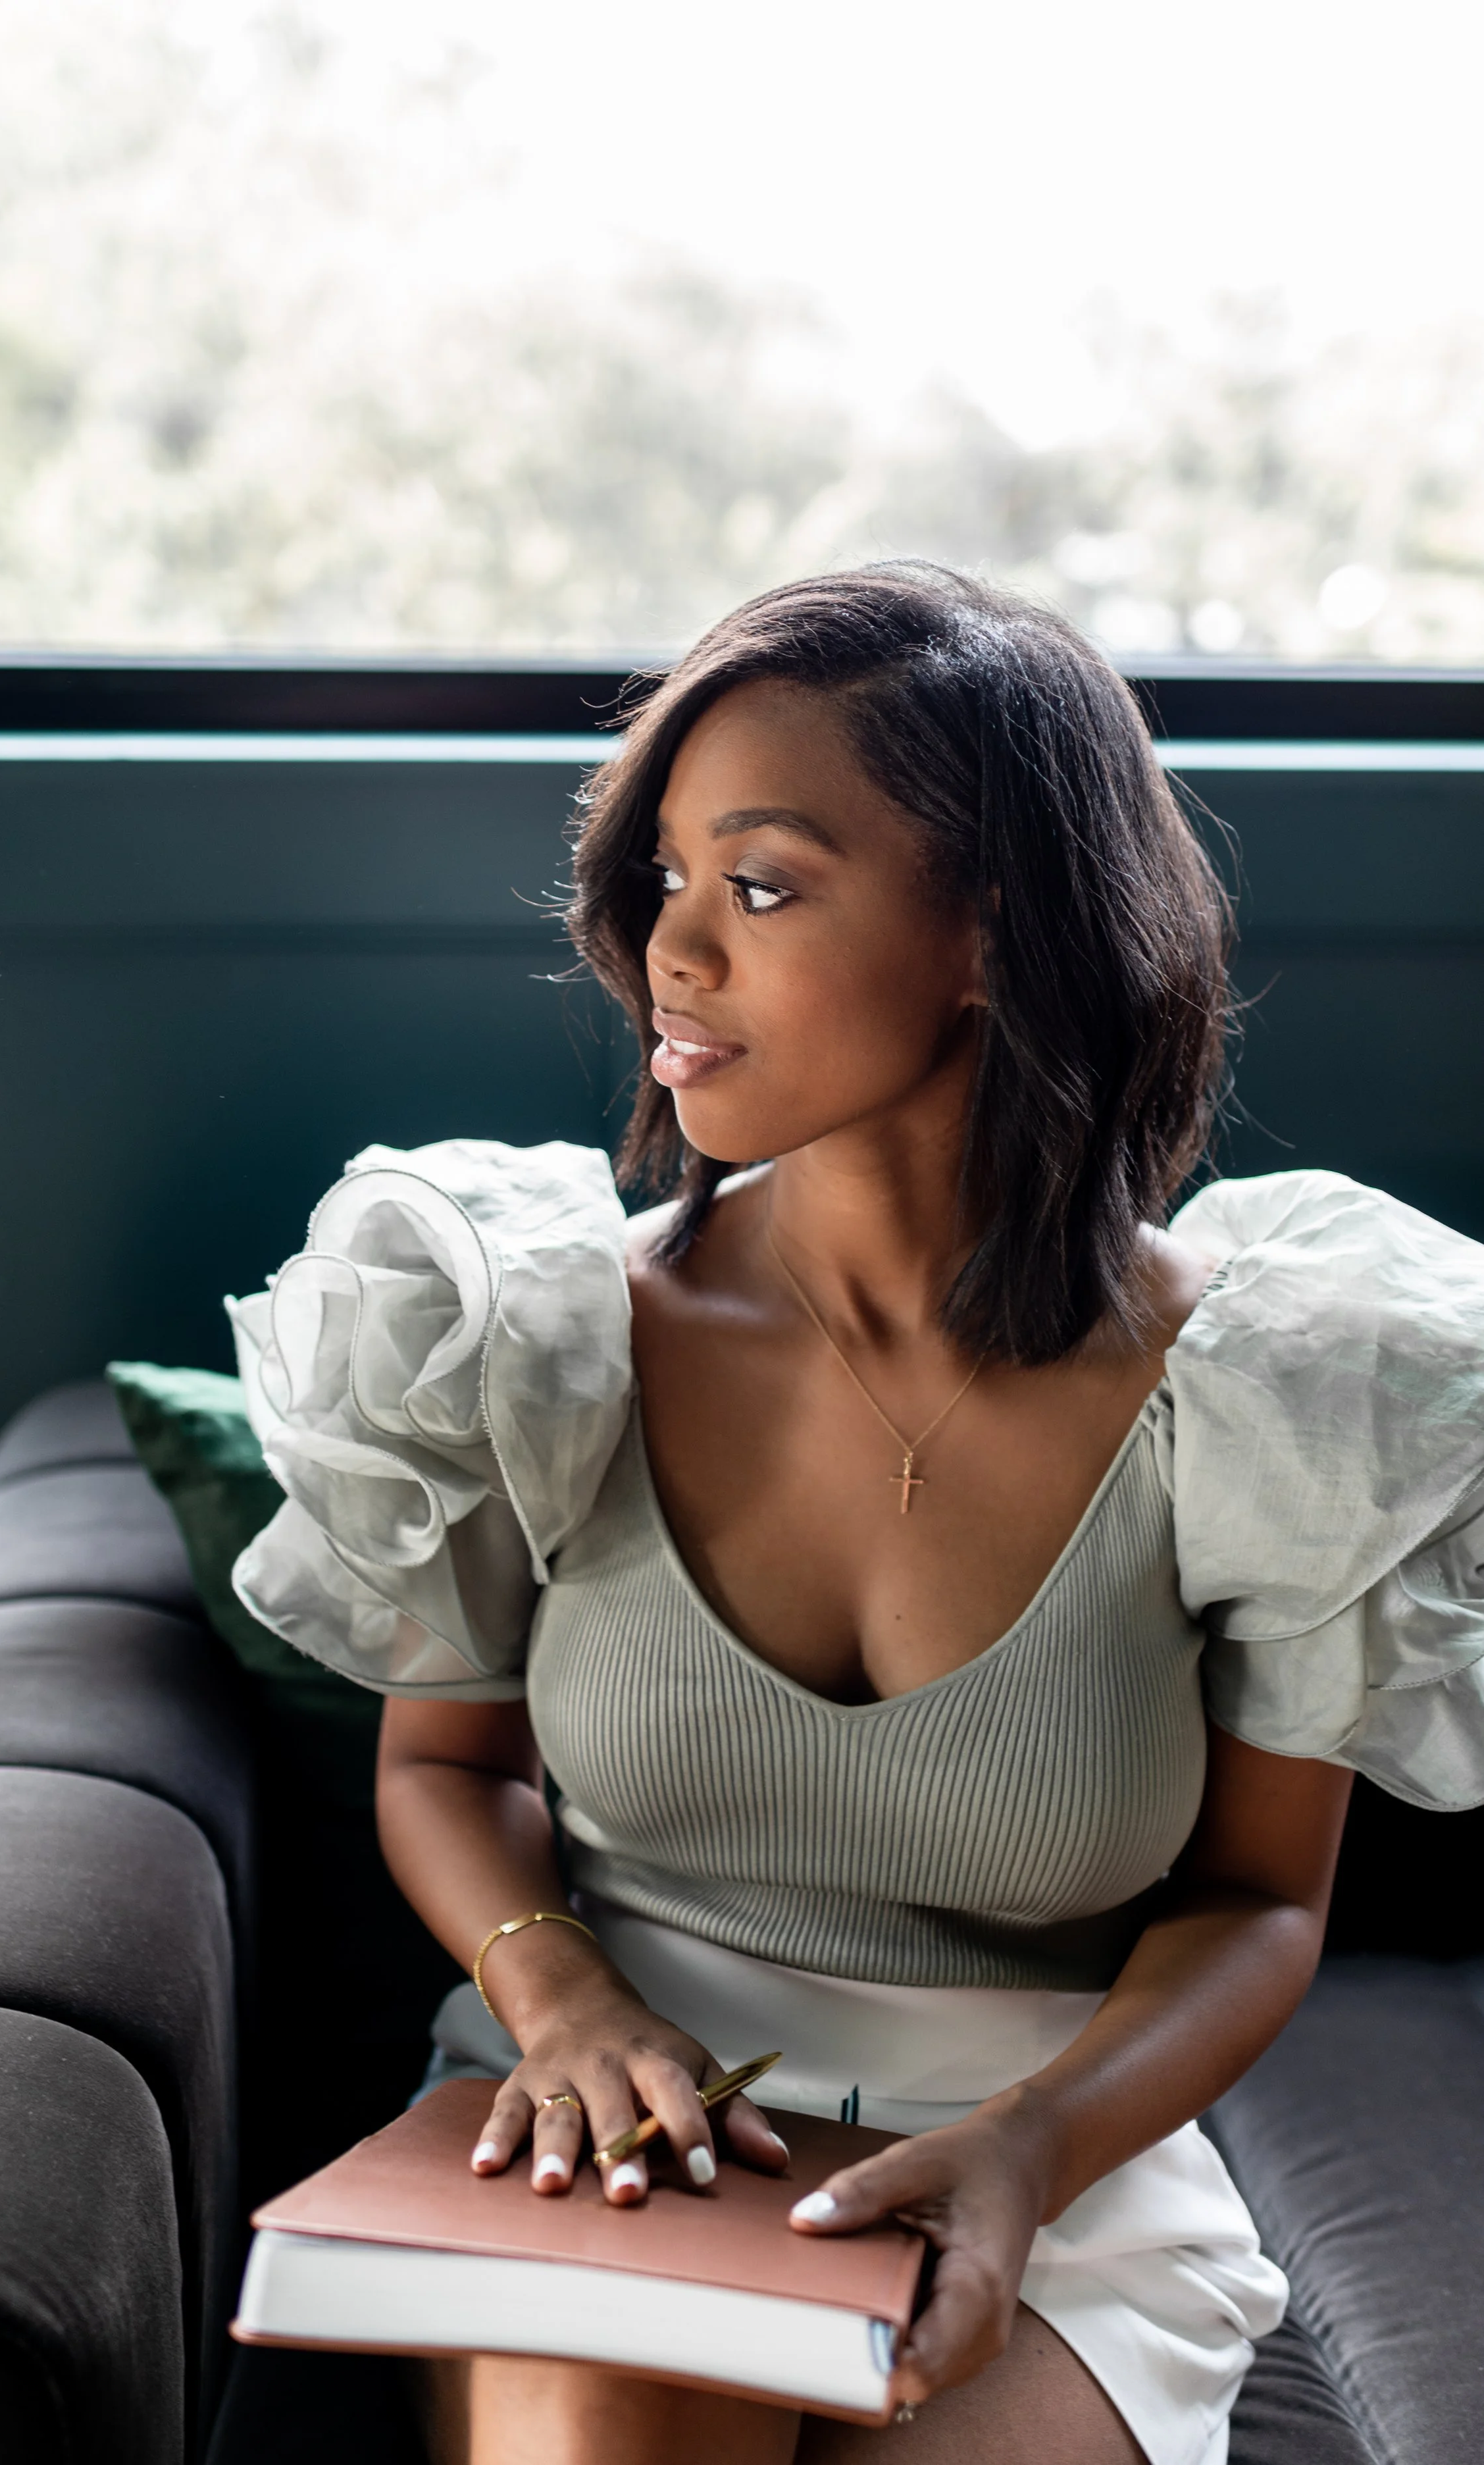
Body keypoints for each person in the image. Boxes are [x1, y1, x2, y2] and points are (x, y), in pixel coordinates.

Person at [227, 563, 1484, 2465]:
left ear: (993, 927)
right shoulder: (528, 1335)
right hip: (608, 2113)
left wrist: (1027, 2150)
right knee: (602, 2416)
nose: (669, 948)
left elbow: (1254, 1903)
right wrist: (561, 2001)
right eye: (664, 875)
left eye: (759, 885)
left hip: (1043, 2161)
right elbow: (444, 1766)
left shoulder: (1278, 1389)